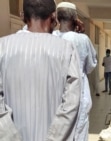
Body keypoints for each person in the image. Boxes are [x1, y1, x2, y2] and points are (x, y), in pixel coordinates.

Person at [0, 0, 82, 141]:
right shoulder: (67, 50)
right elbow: (72, 104)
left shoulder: (3, 47)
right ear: (54, 17)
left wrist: (11, 137)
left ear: (23, 16)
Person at [53, 2, 97, 141]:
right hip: (79, 96)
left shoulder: (51, 37)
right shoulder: (82, 39)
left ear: (57, 18)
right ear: (75, 18)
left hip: (56, 97)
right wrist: (81, 34)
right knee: (79, 135)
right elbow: (90, 67)